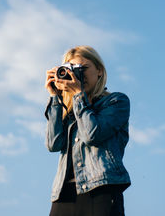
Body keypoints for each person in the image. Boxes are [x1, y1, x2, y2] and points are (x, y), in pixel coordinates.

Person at [44, 45, 131, 216]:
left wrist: (78, 95)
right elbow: (53, 144)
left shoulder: (116, 101)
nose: (79, 74)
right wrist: (54, 97)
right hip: (64, 194)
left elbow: (92, 135)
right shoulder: (70, 112)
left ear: (99, 70)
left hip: (100, 190)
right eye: (73, 70)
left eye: (83, 68)